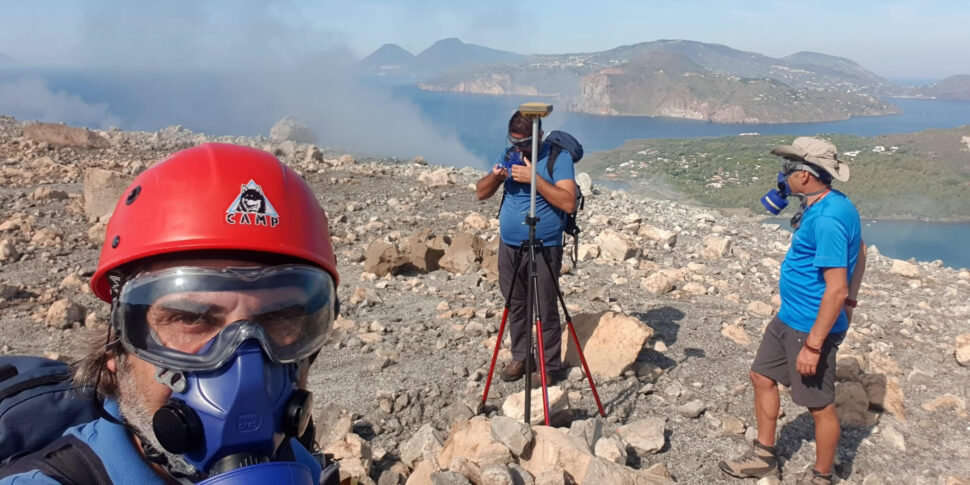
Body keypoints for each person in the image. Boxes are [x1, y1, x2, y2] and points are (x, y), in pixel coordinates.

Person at [0, 143, 341, 484]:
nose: (244, 368)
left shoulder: (296, 459)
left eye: (279, 316)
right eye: (191, 318)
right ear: (117, 347)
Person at [719, 137, 867, 485]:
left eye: (788, 169)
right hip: (789, 316)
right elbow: (860, 252)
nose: (782, 176)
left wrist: (815, 345)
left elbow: (836, 287)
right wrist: (851, 303)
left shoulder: (828, 218)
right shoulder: (827, 205)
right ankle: (764, 457)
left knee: (819, 405)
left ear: (805, 176)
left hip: (809, 326)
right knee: (761, 376)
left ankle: (821, 476)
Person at [475, 110, 577, 385]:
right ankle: (521, 357)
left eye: (524, 143)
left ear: (539, 136)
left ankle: (549, 366)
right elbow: (480, 193)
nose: (518, 148)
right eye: (515, 142)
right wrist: (497, 177)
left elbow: (569, 202)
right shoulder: (508, 154)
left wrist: (535, 178)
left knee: (544, 305)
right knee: (516, 303)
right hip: (510, 246)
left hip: (544, 245)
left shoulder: (559, 158)